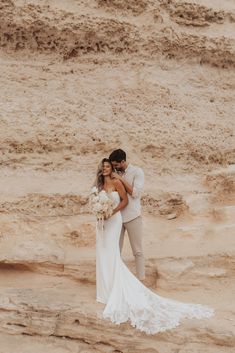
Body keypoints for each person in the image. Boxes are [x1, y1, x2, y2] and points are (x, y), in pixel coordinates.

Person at [93, 158, 214, 334]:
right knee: (102, 253)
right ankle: (103, 290)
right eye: (103, 166)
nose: (104, 169)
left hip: (114, 220)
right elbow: (97, 201)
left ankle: (115, 289)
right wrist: (99, 211)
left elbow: (125, 200)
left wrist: (111, 212)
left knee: (114, 253)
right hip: (102, 223)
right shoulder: (99, 184)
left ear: (112, 168)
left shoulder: (117, 181)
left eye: (108, 166)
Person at [109, 149, 145, 281]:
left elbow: (135, 193)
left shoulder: (137, 172)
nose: (114, 167)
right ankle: (116, 280)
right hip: (117, 218)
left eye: (116, 164)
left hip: (132, 217)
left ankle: (141, 280)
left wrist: (121, 179)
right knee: (116, 250)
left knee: (137, 250)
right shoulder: (113, 173)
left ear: (123, 161)